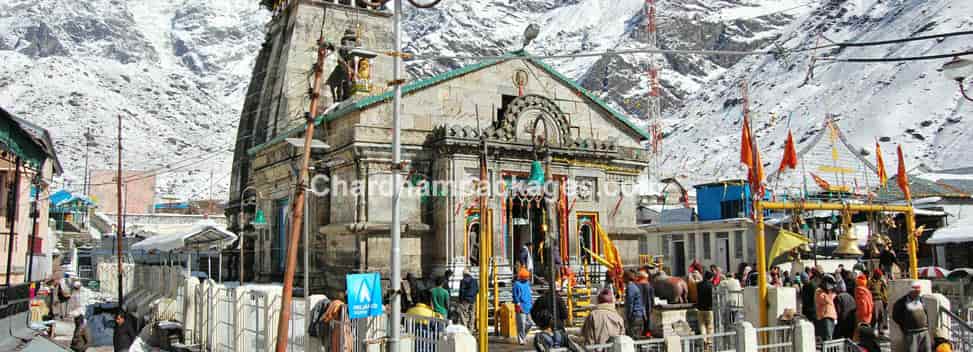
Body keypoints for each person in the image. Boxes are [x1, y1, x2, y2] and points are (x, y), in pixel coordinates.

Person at [893, 281, 930, 352]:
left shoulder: (921, 300)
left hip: (924, 332)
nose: (917, 294)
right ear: (910, 291)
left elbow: (925, 312)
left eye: (919, 292)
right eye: (916, 292)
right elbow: (895, 316)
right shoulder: (902, 302)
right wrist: (905, 325)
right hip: (911, 334)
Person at [512, 268, 534, 345]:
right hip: (521, 306)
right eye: (526, 277)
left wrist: (531, 301)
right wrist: (517, 303)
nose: (527, 278)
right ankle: (521, 339)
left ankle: (523, 336)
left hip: (528, 306)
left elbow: (529, 293)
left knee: (530, 323)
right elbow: (515, 295)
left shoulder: (527, 283)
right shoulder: (516, 284)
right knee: (521, 324)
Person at [696, 271, 716, 346]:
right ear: (711, 278)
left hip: (700, 308)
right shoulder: (711, 285)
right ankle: (709, 341)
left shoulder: (699, 284)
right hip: (709, 308)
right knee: (710, 325)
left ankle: (703, 340)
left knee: (702, 325)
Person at [625, 271, 646, 339]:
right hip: (639, 316)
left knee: (634, 338)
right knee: (637, 338)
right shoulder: (634, 286)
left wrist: (628, 316)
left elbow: (630, 303)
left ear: (626, 278)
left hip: (635, 317)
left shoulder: (630, 287)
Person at [636, 270, 655, 336]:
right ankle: (647, 333)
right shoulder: (649, 285)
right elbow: (652, 298)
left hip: (639, 305)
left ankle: (641, 333)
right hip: (648, 305)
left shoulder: (636, 285)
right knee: (648, 319)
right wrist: (652, 305)